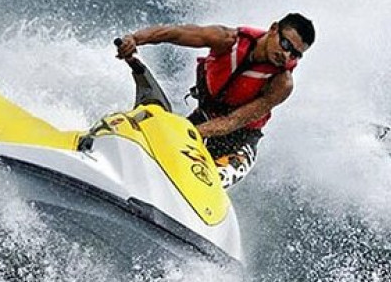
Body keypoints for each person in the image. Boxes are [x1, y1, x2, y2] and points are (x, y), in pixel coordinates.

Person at [116, 13, 315, 188]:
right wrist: (134, 39)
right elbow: (174, 33)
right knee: (157, 157)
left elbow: (233, 121)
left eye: (296, 54)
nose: (286, 55)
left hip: (237, 144)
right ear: (273, 29)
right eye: (286, 44)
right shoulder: (227, 40)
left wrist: (185, 132)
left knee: (202, 179)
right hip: (202, 119)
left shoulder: (282, 82)